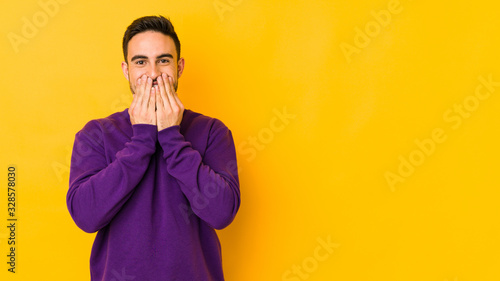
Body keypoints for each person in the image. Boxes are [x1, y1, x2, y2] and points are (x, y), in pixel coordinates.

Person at [66, 15, 241, 281]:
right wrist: (141, 140)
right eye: (141, 62)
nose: (153, 74)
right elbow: (86, 217)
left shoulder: (212, 132)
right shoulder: (97, 134)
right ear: (127, 71)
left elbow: (221, 213)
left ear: (179, 67)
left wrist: (171, 136)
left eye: (163, 60)